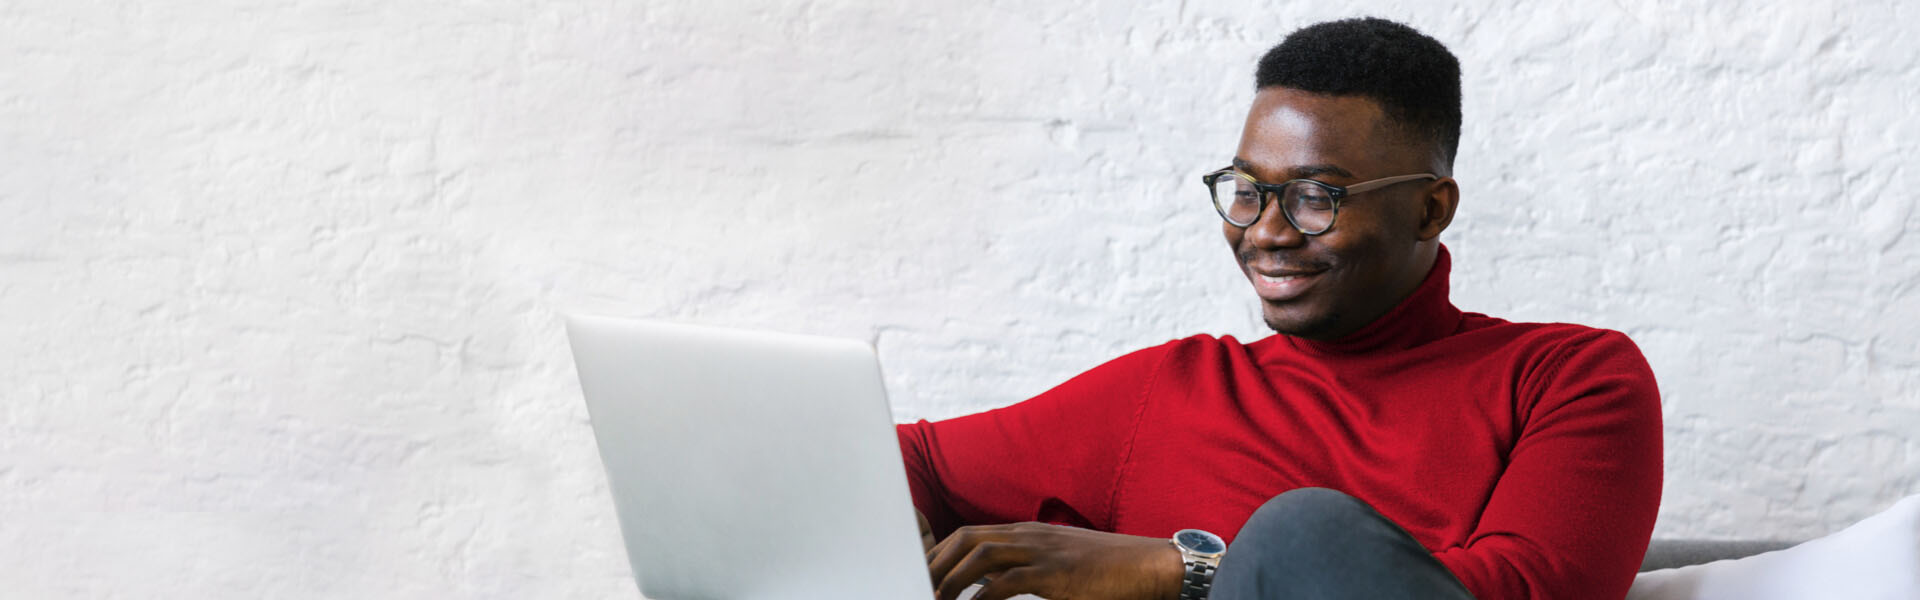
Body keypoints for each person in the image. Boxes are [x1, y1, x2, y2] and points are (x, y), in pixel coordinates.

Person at [895, 17, 1664, 600]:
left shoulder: (1566, 378)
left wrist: (1187, 569)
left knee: (1303, 528)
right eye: (1248, 190)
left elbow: (1527, 589)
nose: (1265, 231)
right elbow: (907, 459)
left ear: (1431, 211)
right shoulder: (1171, 389)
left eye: (1314, 196)